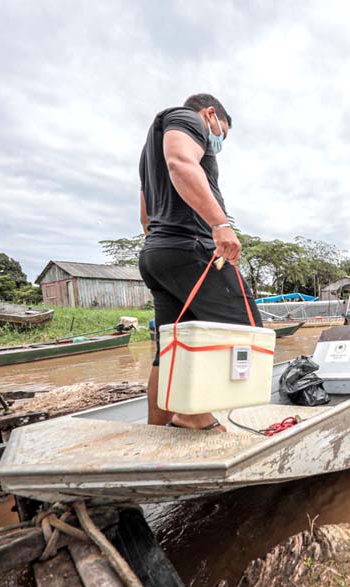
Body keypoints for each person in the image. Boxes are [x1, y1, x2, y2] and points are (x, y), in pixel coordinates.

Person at [137, 93, 261, 431]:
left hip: (158, 253)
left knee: (172, 349)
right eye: (222, 132)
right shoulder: (186, 119)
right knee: (246, 332)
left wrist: (164, 245)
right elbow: (181, 162)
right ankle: (192, 414)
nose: (218, 141)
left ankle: (158, 430)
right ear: (210, 114)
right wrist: (220, 224)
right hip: (192, 248)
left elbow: (145, 214)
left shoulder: (149, 154)